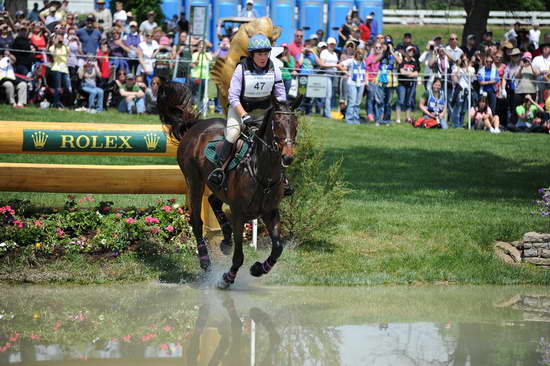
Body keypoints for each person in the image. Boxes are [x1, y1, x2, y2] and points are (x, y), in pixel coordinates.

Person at [208, 34, 286, 187]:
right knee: (232, 133)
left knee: (278, 138)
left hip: (264, 112)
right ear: (252, 55)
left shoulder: (273, 68)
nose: (263, 58)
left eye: (265, 54)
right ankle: (220, 170)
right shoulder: (241, 69)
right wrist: (243, 115)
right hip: (240, 110)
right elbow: (233, 96)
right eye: (259, 54)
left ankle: (282, 178)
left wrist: (282, 111)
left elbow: (280, 93)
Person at [319, 37, 345, 118]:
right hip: (327, 75)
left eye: (333, 44)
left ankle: (326, 111)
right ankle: (327, 113)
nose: (332, 45)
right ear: (327, 44)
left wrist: (341, 67)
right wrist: (335, 65)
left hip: (334, 75)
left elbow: (336, 65)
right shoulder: (324, 52)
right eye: (330, 44)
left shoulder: (334, 54)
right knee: (328, 95)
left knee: (331, 95)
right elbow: (322, 64)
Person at [340, 49, 366, 124]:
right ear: (356, 54)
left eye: (362, 54)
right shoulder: (351, 61)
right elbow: (340, 64)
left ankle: (356, 118)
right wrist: (345, 72)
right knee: (352, 101)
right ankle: (349, 119)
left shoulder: (363, 62)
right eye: (360, 54)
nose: (361, 55)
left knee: (358, 102)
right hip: (352, 83)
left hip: (361, 83)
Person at [450, 53, 475, 128]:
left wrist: (467, 66)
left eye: (465, 59)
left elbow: (472, 79)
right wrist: (458, 66)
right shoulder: (456, 68)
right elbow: (456, 78)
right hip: (459, 89)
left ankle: (461, 123)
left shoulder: (471, 68)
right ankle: (455, 123)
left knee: (464, 109)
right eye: (463, 59)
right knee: (457, 107)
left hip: (467, 90)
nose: (464, 61)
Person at [396, 46, 419, 124]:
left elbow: (416, 73)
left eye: (413, 51)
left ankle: (407, 117)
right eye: (409, 51)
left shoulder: (414, 61)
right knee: (401, 101)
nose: (411, 52)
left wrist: (408, 74)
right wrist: (411, 74)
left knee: (409, 101)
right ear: (406, 52)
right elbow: (402, 72)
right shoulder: (402, 61)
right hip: (402, 84)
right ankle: (398, 118)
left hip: (411, 84)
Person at [49, 33, 72, 109]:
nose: (60, 38)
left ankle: (62, 103)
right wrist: (55, 45)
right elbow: (53, 55)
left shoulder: (65, 47)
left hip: (65, 69)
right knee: (58, 88)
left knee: (68, 88)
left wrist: (65, 44)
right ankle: (56, 104)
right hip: (56, 68)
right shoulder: (52, 47)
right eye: (58, 37)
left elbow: (69, 54)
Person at [190, 40, 212, 106]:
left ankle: (201, 106)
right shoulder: (195, 54)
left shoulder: (208, 54)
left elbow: (210, 63)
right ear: (198, 47)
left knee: (203, 92)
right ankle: (195, 105)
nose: (202, 47)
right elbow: (194, 64)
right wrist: (199, 54)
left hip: (205, 77)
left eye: (203, 46)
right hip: (196, 76)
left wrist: (204, 53)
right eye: (200, 46)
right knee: (196, 92)